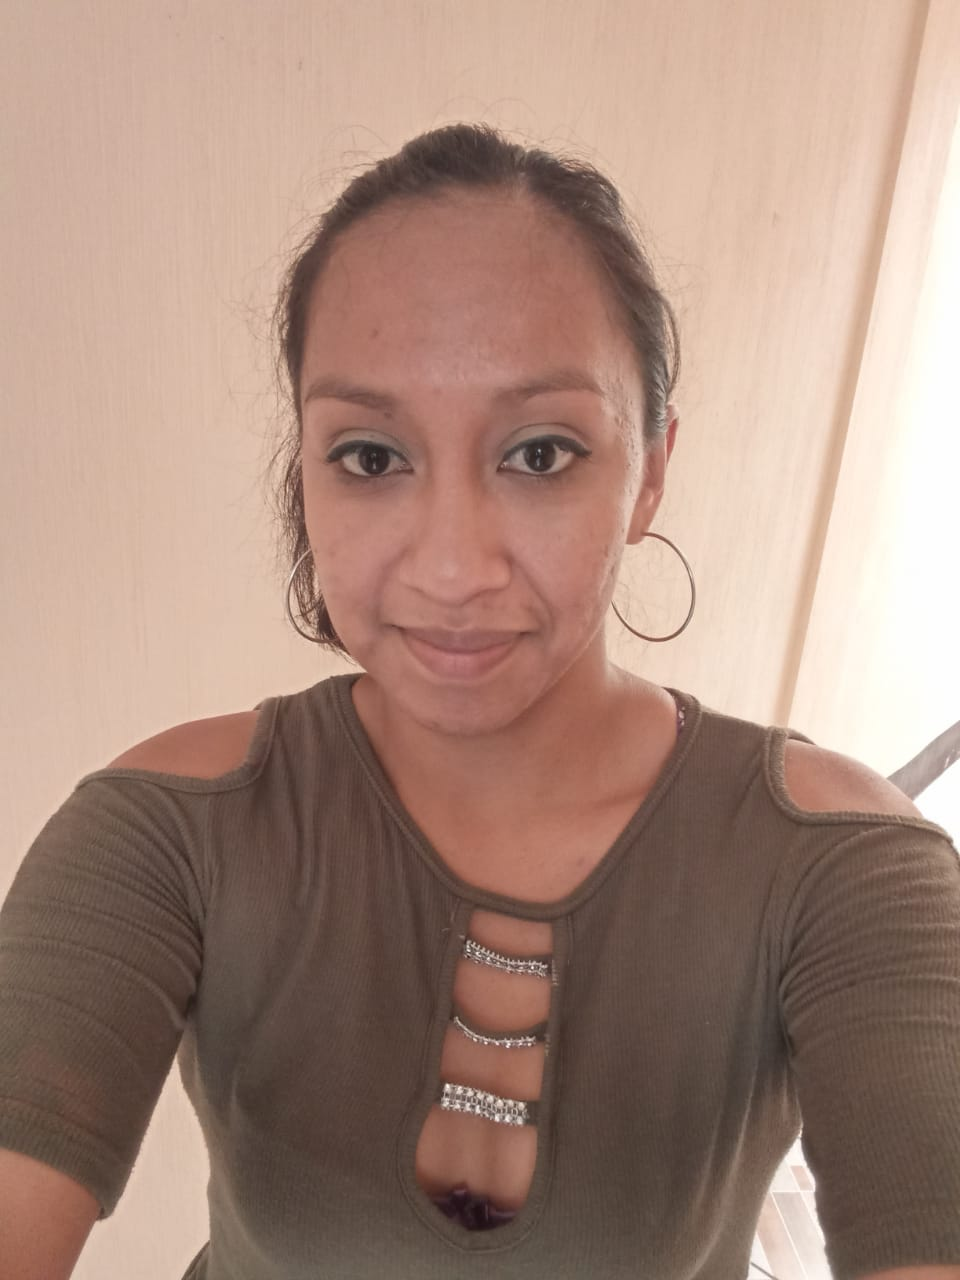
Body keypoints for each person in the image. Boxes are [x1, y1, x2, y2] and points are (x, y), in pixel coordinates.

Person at [1, 123, 958, 1280]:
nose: (453, 567)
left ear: (650, 470)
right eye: (370, 457)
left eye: (540, 454)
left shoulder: (846, 868)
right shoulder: (164, 829)